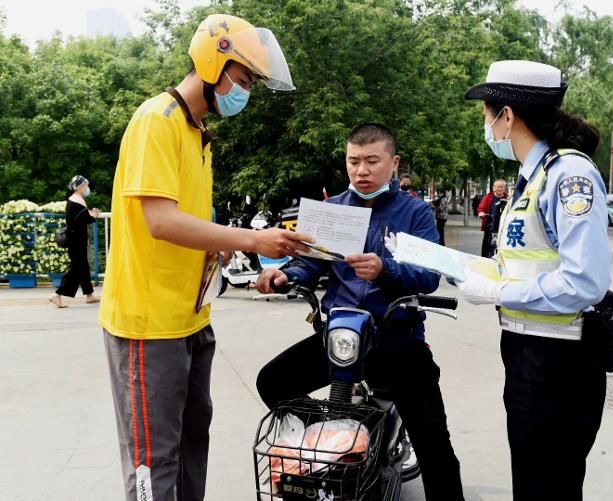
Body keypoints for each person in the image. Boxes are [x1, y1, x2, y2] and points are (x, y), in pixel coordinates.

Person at [98, 14, 312, 501]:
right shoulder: (158, 121)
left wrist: (223, 245)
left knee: (194, 443)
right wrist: (252, 241)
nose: (245, 94)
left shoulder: (198, 135)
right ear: (214, 63)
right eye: (242, 80)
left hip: (190, 317)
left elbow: (192, 226)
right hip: (149, 324)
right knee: (155, 458)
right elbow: (161, 221)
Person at [255, 123, 465, 501]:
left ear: (393, 162)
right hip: (340, 337)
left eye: (372, 160)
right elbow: (311, 265)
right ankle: (343, 435)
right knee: (273, 382)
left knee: (432, 437)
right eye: (354, 161)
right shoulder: (332, 210)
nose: (362, 170)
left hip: (398, 340)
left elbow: (431, 277)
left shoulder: (416, 213)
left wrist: (387, 269)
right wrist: (284, 274)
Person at [458, 60, 611, 500]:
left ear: (507, 116)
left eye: (487, 116)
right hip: (529, 348)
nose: (486, 128)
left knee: (549, 485)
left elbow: (585, 282)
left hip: (560, 361)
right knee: (532, 479)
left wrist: (496, 291)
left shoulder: (569, 176)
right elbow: (531, 259)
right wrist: (484, 272)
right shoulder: (533, 176)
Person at [49, 175, 102, 308]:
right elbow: (83, 220)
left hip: (76, 239)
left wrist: (90, 214)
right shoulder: (77, 201)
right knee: (77, 268)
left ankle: (89, 295)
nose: (87, 188)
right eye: (85, 186)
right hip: (76, 240)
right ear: (79, 187)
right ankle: (57, 295)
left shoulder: (74, 200)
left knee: (83, 267)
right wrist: (93, 215)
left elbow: (79, 217)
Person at [478, 179, 508, 257]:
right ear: (494, 188)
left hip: (503, 227)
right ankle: (485, 260)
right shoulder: (488, 197)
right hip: (490, 225)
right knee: (487, 246)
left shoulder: (508, 198)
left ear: (504, 188)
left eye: (502, 187)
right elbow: (481, 208)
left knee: (502, 247)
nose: (500, 189)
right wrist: (481, 213)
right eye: (498, 187)